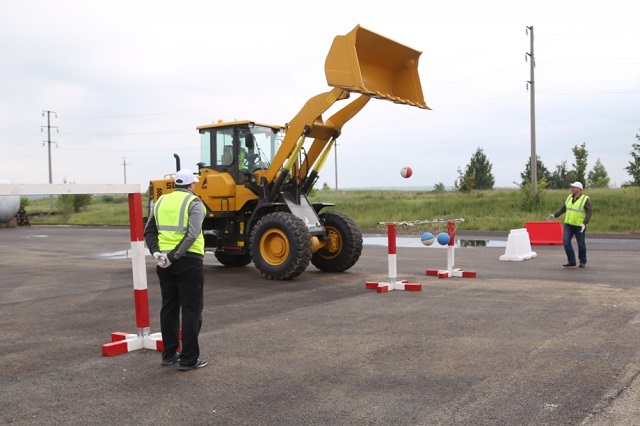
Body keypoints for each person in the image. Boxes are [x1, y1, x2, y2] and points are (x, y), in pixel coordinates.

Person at [144, 169, 208, 371]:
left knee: (169, 308)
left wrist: (156, 252)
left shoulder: (160, 201)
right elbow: (192, 234)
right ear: (191, 185)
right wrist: (174, 256)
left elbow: (149, 230)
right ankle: (189, 359)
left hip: (164, 262)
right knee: (191, 310)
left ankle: (170, 354)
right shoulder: (195, 203)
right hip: (188, 261)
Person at [546, 181, 592, 268]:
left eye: (574, 187)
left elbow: (589, 212)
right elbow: (564, 208)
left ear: (579, 189)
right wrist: (554, 215)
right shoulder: (569, 197)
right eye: (572, 187)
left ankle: (582, 261)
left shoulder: (585, 199)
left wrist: (585, 223)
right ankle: (571, 261)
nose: (572, 188)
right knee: (566, 242)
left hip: (579, 226)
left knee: (581, 244)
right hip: (569, 225)